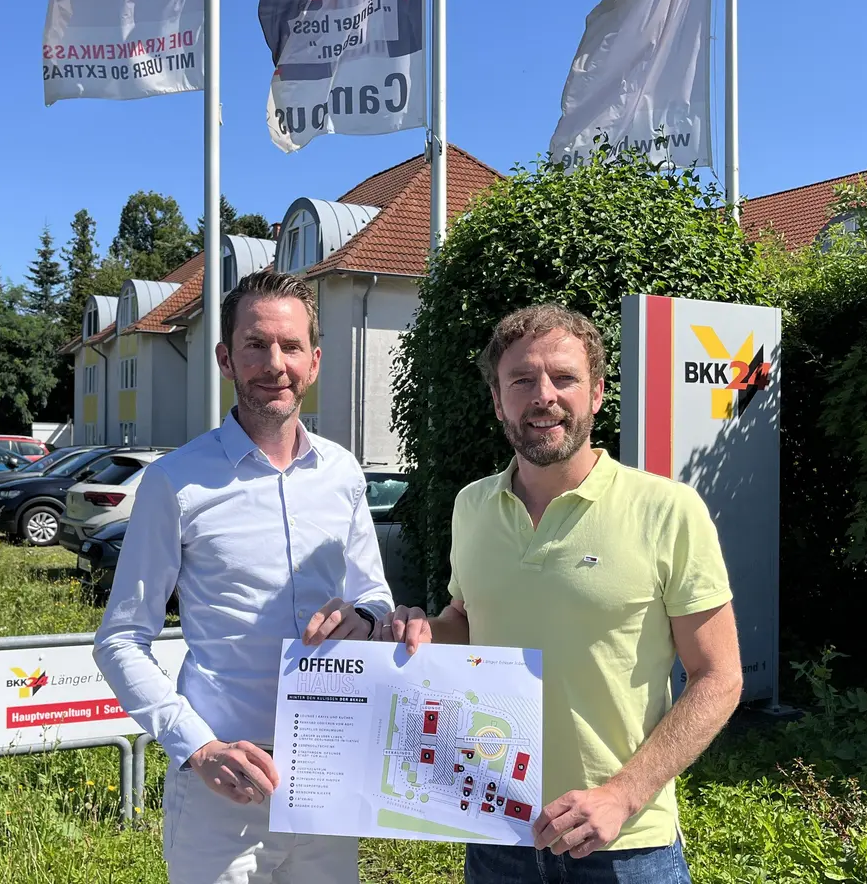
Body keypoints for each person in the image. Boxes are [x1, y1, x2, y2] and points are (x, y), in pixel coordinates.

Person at [380, 304, 744, 883]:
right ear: (498, 401)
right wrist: (426, 631)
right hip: (498, 830)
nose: (543, 395)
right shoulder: (472, 506)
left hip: (624, 846)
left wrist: (623, 795)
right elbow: (468, 619)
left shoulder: (667, 510)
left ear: (597, 393)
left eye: (564, 378)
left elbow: (719, 676)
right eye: (520, 381)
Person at [93, 269, 394, 884]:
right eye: (255, 345)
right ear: (225, 358)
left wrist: (363, 618)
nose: (273, 363)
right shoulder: (175, 481)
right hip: (223, 785)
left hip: (326, 771)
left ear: (314, 360)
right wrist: (198, 748)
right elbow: (121, 639)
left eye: (289, 347)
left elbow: (374, 596)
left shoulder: (342, 474)